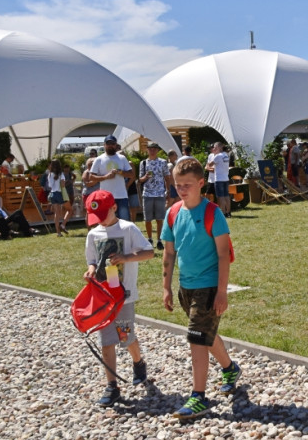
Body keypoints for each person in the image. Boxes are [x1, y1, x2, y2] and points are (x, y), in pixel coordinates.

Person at [161, 157, 242, 421]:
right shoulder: (172, 213)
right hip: (186, 286)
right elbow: (169, 253)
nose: (182, 190)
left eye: (187, 185)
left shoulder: (212, 213)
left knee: (196, 338)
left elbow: (222, 255)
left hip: (208, 287)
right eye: (177, 185)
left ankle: (198, 397)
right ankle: (230, 369)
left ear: (200, 183)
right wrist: (166, 288)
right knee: (205, 333)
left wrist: (221, 292)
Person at [84, 190, 155, 407]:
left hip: (124, 296)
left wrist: (125, 257)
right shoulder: (93, 234)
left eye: (103, 214)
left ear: (114, 207)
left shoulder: (128, 229)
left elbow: (149, 252)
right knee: (106, 340)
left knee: (124, 336)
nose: (100, 221)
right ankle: (112, 386)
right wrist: (91, 270)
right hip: (104, 296)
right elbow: (92, 260)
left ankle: (138, 362)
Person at [88, 135, 135, 220]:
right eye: (108, 143)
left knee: (124, 222)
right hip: (105, 197)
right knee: (107, 221)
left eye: (112, 143)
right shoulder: (99, 159)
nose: (110, 145)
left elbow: (132, 174)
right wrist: (105, 177)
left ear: (116, 145)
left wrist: (120, 172)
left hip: (121, 195)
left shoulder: (122, 158)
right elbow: (91, 177)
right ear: (104, 145)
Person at [138, 142, 172, 250]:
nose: (152, 150)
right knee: (147, 219)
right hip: (147, 193)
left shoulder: (163, 162)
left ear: (157, 150)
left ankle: (159, 240)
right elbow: (140, 179)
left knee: (159, 218)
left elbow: (167, 177)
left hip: (160, 193)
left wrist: (168, 191)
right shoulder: (143, 163)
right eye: (150, 149)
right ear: (147, 150)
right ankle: (149, 238)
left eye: (154, 149)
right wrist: (145, 177)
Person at [205, 142, 232, 218]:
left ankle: (223, 213)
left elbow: (209, 165)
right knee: (226, 196)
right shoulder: (226, 155)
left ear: (220, 148)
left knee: (221, 197)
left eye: (215, 147)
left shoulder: (217, 156)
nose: (214, 149)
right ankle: (228, 212)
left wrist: (207, 165)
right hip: (226, 178)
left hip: (219, 179)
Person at [46, 159, 70, 236]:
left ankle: (58, 232)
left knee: (57, 213)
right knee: (70, 210)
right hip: (60, 193)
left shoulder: (50, 174)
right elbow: (63, 185)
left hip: (53, 194)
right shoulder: (61, 174)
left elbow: (50, 186)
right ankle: (63, 225)